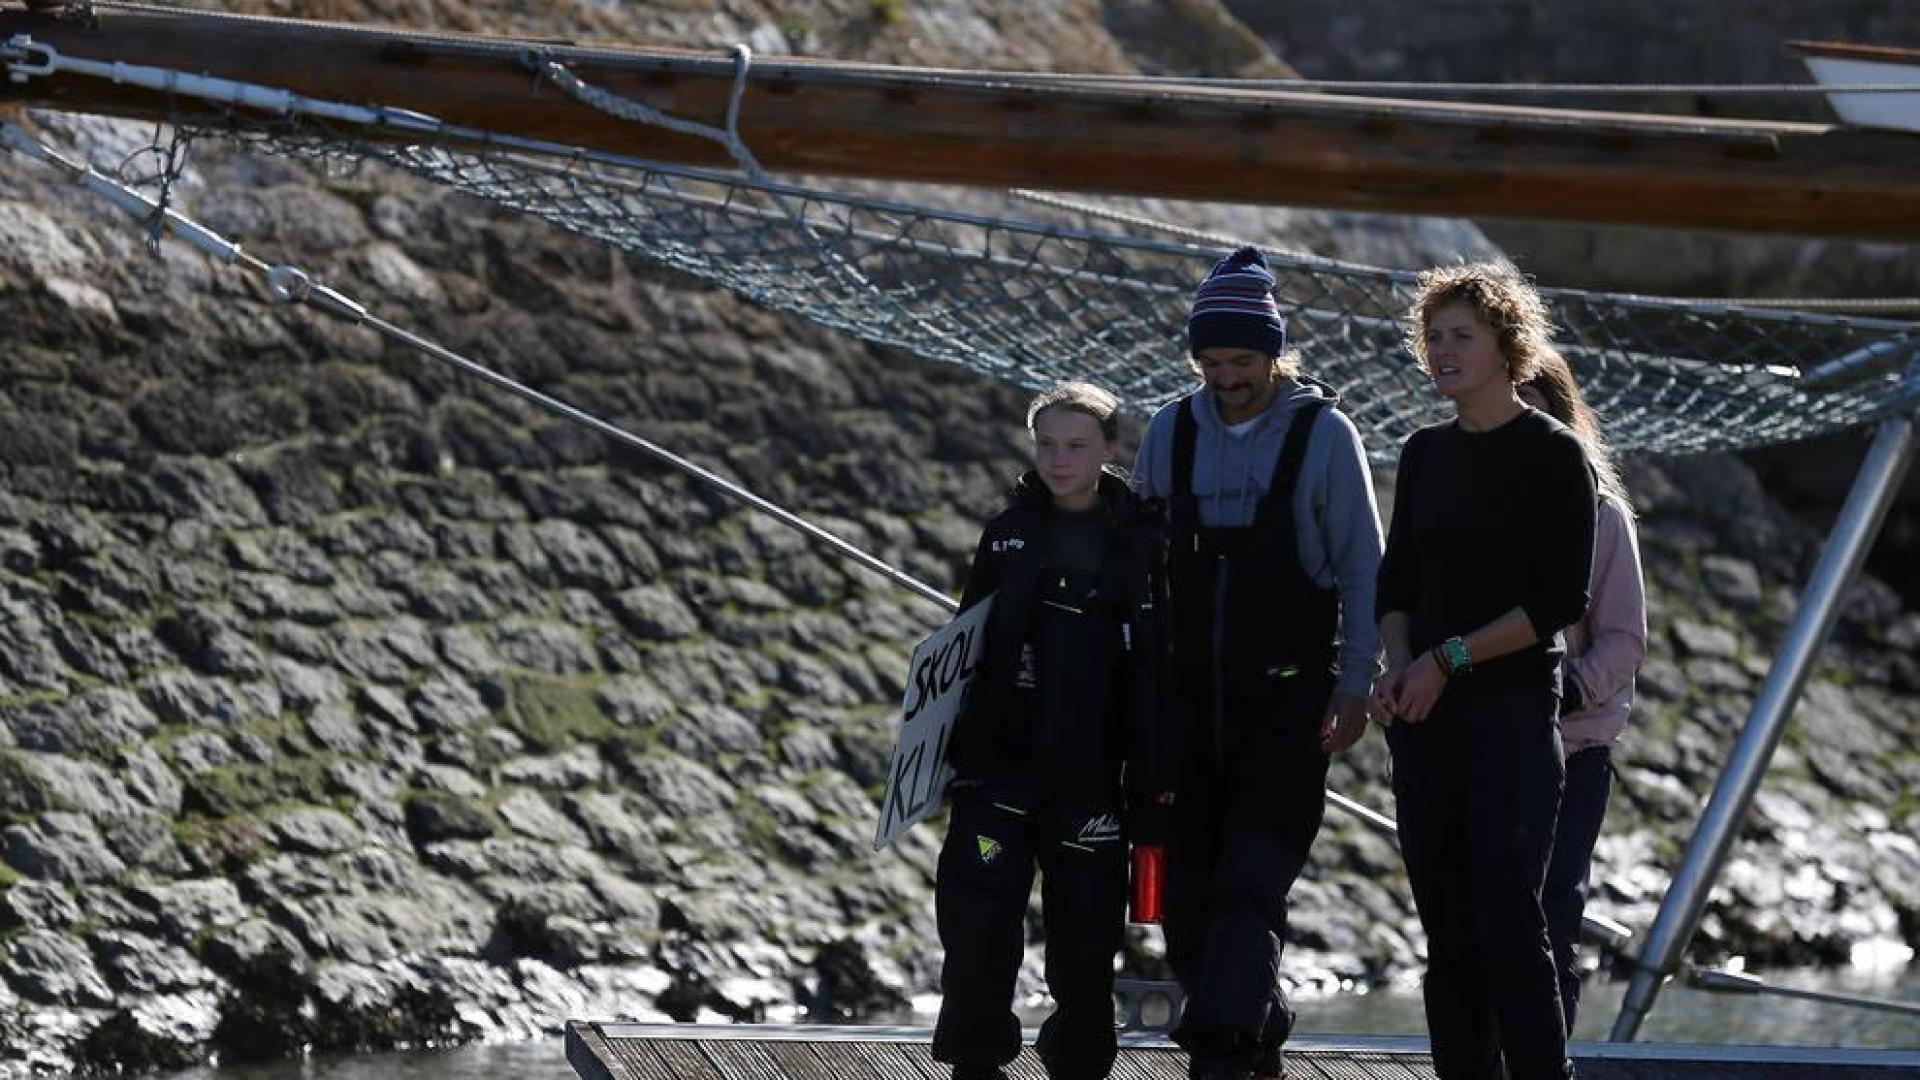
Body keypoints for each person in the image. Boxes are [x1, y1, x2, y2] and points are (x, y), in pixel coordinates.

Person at [1132, 246, 1384, 1080]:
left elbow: (1363, 572)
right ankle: (1257, 1031)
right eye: (1210, 362)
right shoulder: (1167, 430)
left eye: (1241, 360)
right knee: (1189, 907)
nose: (1225, 377)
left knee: (1251, 889)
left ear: (1275, 354)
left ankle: (1220, 1061)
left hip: (1287, 711)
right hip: (1183, 711)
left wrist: (1354, 686)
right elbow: (1136, 570)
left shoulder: (1325, 436)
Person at [1373, 260, 1595, 1080]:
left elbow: (1558, 601)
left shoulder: (1552, 455)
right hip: (1425, 719)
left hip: (1508, 714)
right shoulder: (1422, 452)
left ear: (1508, 345)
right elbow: (1395, 582)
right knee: (1447, 931)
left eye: (1461, 336)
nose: (1441, 351)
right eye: (1432, 337)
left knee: (1509, 920)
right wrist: (1403, 670)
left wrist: (1446, 659)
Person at [932, 381, 1178, 1080]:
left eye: (1076, 445)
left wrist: (1157, 784)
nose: (1059, 460)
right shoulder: (1007, 533)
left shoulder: (1142, 540)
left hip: (1096, 774)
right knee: (976, 930)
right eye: (1047, 444)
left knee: (1084, 943)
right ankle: (975, 1063)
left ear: (1108, 450)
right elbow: (961, 652)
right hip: (1000, 770)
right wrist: (950, 761)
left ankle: (1078, 1063)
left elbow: (1163, 669)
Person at [1517, 354, 1647, 1033]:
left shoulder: (1603, 519)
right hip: (1484, 746)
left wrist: (1564, 691)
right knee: (1476, 923)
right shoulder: (1467, 505)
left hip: (1572, 755)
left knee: (1551, 921)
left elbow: (1624, 639)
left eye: (1533, 409)